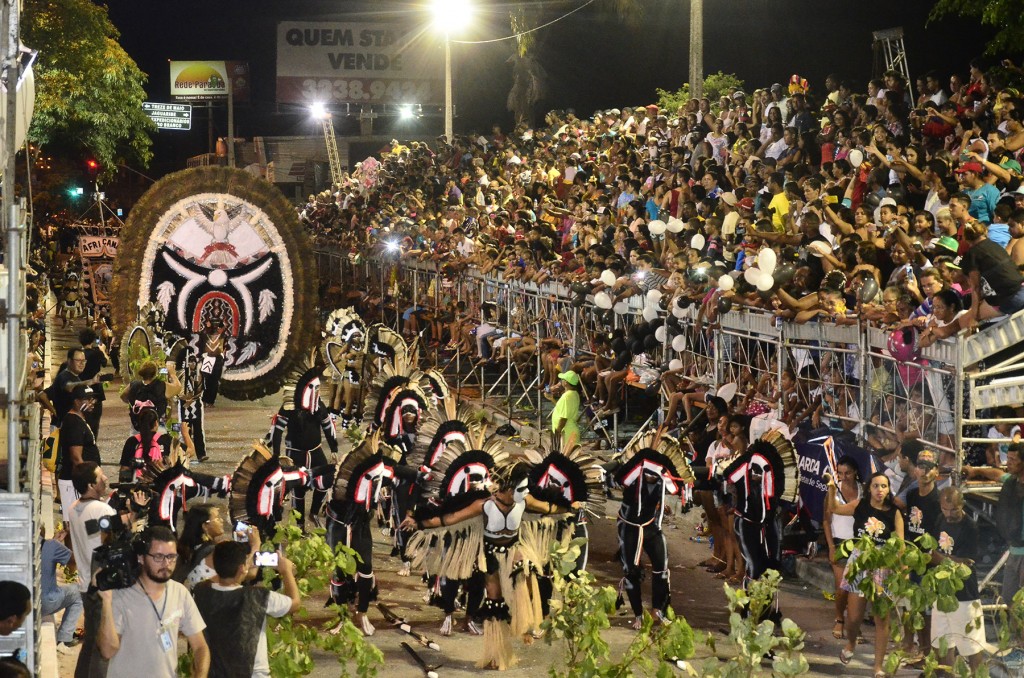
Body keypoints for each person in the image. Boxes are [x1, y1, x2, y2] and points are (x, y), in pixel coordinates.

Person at [96, 526, 210, 678]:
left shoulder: (180, 592)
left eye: (171, 557)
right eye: (158, 557)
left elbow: (200, 647)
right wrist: (106, 601)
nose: (166, 563)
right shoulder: (120, 594)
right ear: (141, 558)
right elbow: (107, 651)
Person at [829, 471, 904, 678]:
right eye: (876, 486)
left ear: (889, 489)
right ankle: (851, 642)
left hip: (883, 566)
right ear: (868, 488)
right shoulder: (859, 505)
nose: (880, 490)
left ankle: (878, 666)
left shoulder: (894, 512)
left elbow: (900, 545)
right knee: (853, 618)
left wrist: (898, 567)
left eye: (884, 486)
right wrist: (831, 488)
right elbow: (833, 508)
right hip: (860, 563)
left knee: (882, 618)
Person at [192, 541, 300, 678]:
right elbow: (295, 603)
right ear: (242, 568)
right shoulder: (259, 596)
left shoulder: (201, 592)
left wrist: (241, 566)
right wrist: (286, 571)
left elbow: (217, 580)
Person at [929, 486, 985, 672]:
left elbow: (967, 564)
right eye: (945, 509)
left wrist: (940, 559)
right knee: (941, 643)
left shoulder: (970, 527)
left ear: (962, 505)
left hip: (965, 597)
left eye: (953, 509)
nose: (949, 514)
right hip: (942, 593)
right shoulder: (940, 519)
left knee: (971, 646)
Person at [823, 455, 861, 641]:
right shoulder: (833, 490)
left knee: (856, 589)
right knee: (841, 589)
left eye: (848, 473)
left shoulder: (863, 491)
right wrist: (830, 546)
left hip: (859, 543)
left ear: (855, 473)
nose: (843, 477)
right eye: (840, 473)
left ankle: (854, 624)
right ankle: (839, 618)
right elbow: (826, 520)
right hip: (839, 542)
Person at [56, 385, 101, 524]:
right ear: (76, 401)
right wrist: (86, 483)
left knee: (78, 522)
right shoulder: (74, 423)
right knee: (73, 523)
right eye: (87, 399)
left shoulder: (78, 419)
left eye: (92, 398)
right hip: (74, 482)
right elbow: (76, 458)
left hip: (75, 482)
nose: (92, 402)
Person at [40, 527, 83, 653]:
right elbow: (73, 564)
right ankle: (65, 637)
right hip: (46, 602)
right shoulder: (51, 545)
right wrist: (59, 544)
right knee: (79, 592)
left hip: (23, 604)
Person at [76, 328, 109, 438]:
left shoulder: (77, 355)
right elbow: (105, 362)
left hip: (81, 390)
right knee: (95, 421)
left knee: (82, 419)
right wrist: (103, 350)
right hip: (96, 390)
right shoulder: (97, 353)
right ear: (92, 340)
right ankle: (92, 441)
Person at [551, 370, 581, 450]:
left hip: (566, 434)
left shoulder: (566, 397)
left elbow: (564, 419)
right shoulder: (574, 394)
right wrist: (551, 399)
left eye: (563, 379)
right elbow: (562, 409)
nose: (561, 381)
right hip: (570, 432)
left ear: (566, 383)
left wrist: (557, 433)